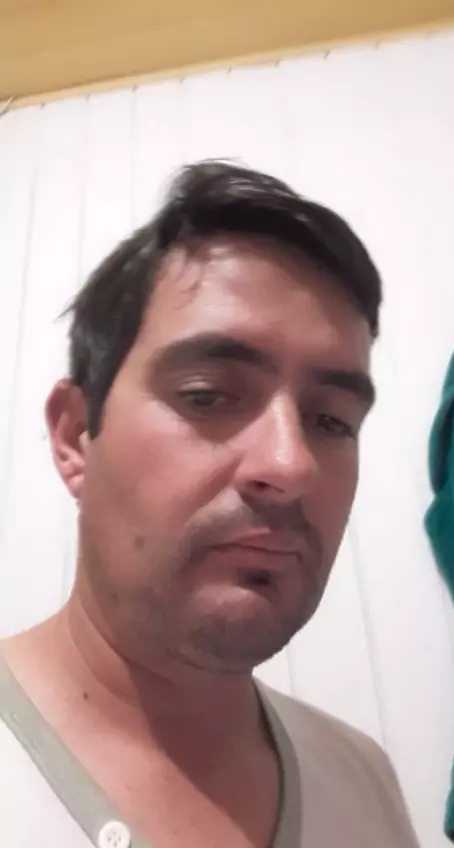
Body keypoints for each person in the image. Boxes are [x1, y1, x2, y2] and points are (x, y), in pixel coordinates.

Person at [0, 161, 419, 848]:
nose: (291, 465)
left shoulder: (364, 782)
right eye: (207, 395)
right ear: (76, 437)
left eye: (332, 421)